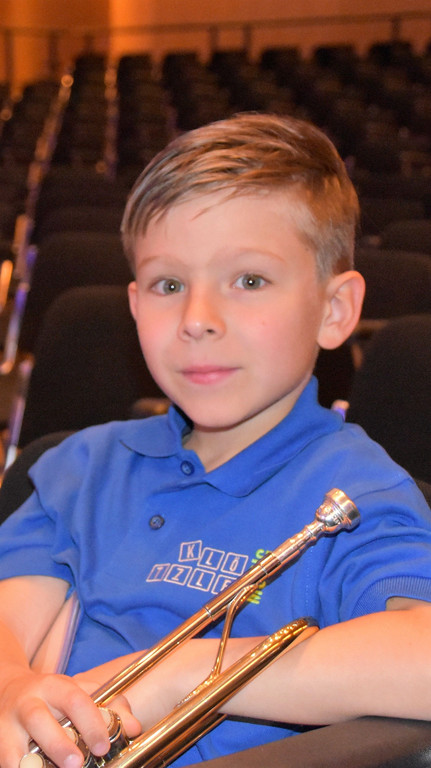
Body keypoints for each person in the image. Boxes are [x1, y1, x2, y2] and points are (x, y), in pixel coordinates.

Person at [0, 112, 431, 768]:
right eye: (168, 285)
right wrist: (12, 690)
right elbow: (10, 617)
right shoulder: (84, 466)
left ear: (334, 310)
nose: (197, 319)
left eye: (249, 281)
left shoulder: (359, 492)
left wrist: (183, 673)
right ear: (135, 306)